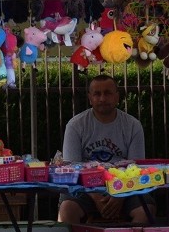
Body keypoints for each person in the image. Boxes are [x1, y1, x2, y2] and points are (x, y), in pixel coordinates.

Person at [58, 74, 155, 224]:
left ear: (117, 97)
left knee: (146, 210)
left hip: (126, 189)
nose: (102, 99)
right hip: (85, 189)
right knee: (67, 209)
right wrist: (95, 195)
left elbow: (136, 168)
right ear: (90, 98)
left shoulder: (133, 126)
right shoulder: (75, 125)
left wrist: (120, 195)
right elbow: (72, 169)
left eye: (108, 93)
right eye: (97, 94)